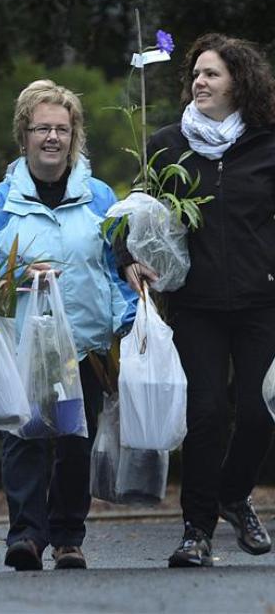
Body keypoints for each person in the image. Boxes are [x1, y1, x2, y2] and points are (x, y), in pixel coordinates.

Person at [121, 33, 275, 568]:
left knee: (260, 414)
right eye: (195, 75)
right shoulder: (167, 144)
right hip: (198, 305)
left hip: (262, 300)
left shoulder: (267, 142)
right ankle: (196, 531)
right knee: (206, 414)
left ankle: (235, 496)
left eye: (212, 74)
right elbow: (132, 213)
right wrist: (129, 257)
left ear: (240, 82)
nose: (199, 83)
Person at [0, 80, 137, 570]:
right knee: (24, 440)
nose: (52, 137)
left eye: (62, 129)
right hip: (24, 343)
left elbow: (118, 263)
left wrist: (127, 320)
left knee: (73, 442)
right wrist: (19, 272)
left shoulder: (99, 195)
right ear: (23, 134)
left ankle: (68, 538)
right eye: (42, 127)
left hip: (84, 343)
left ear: (75, 136)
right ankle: (25, 536)